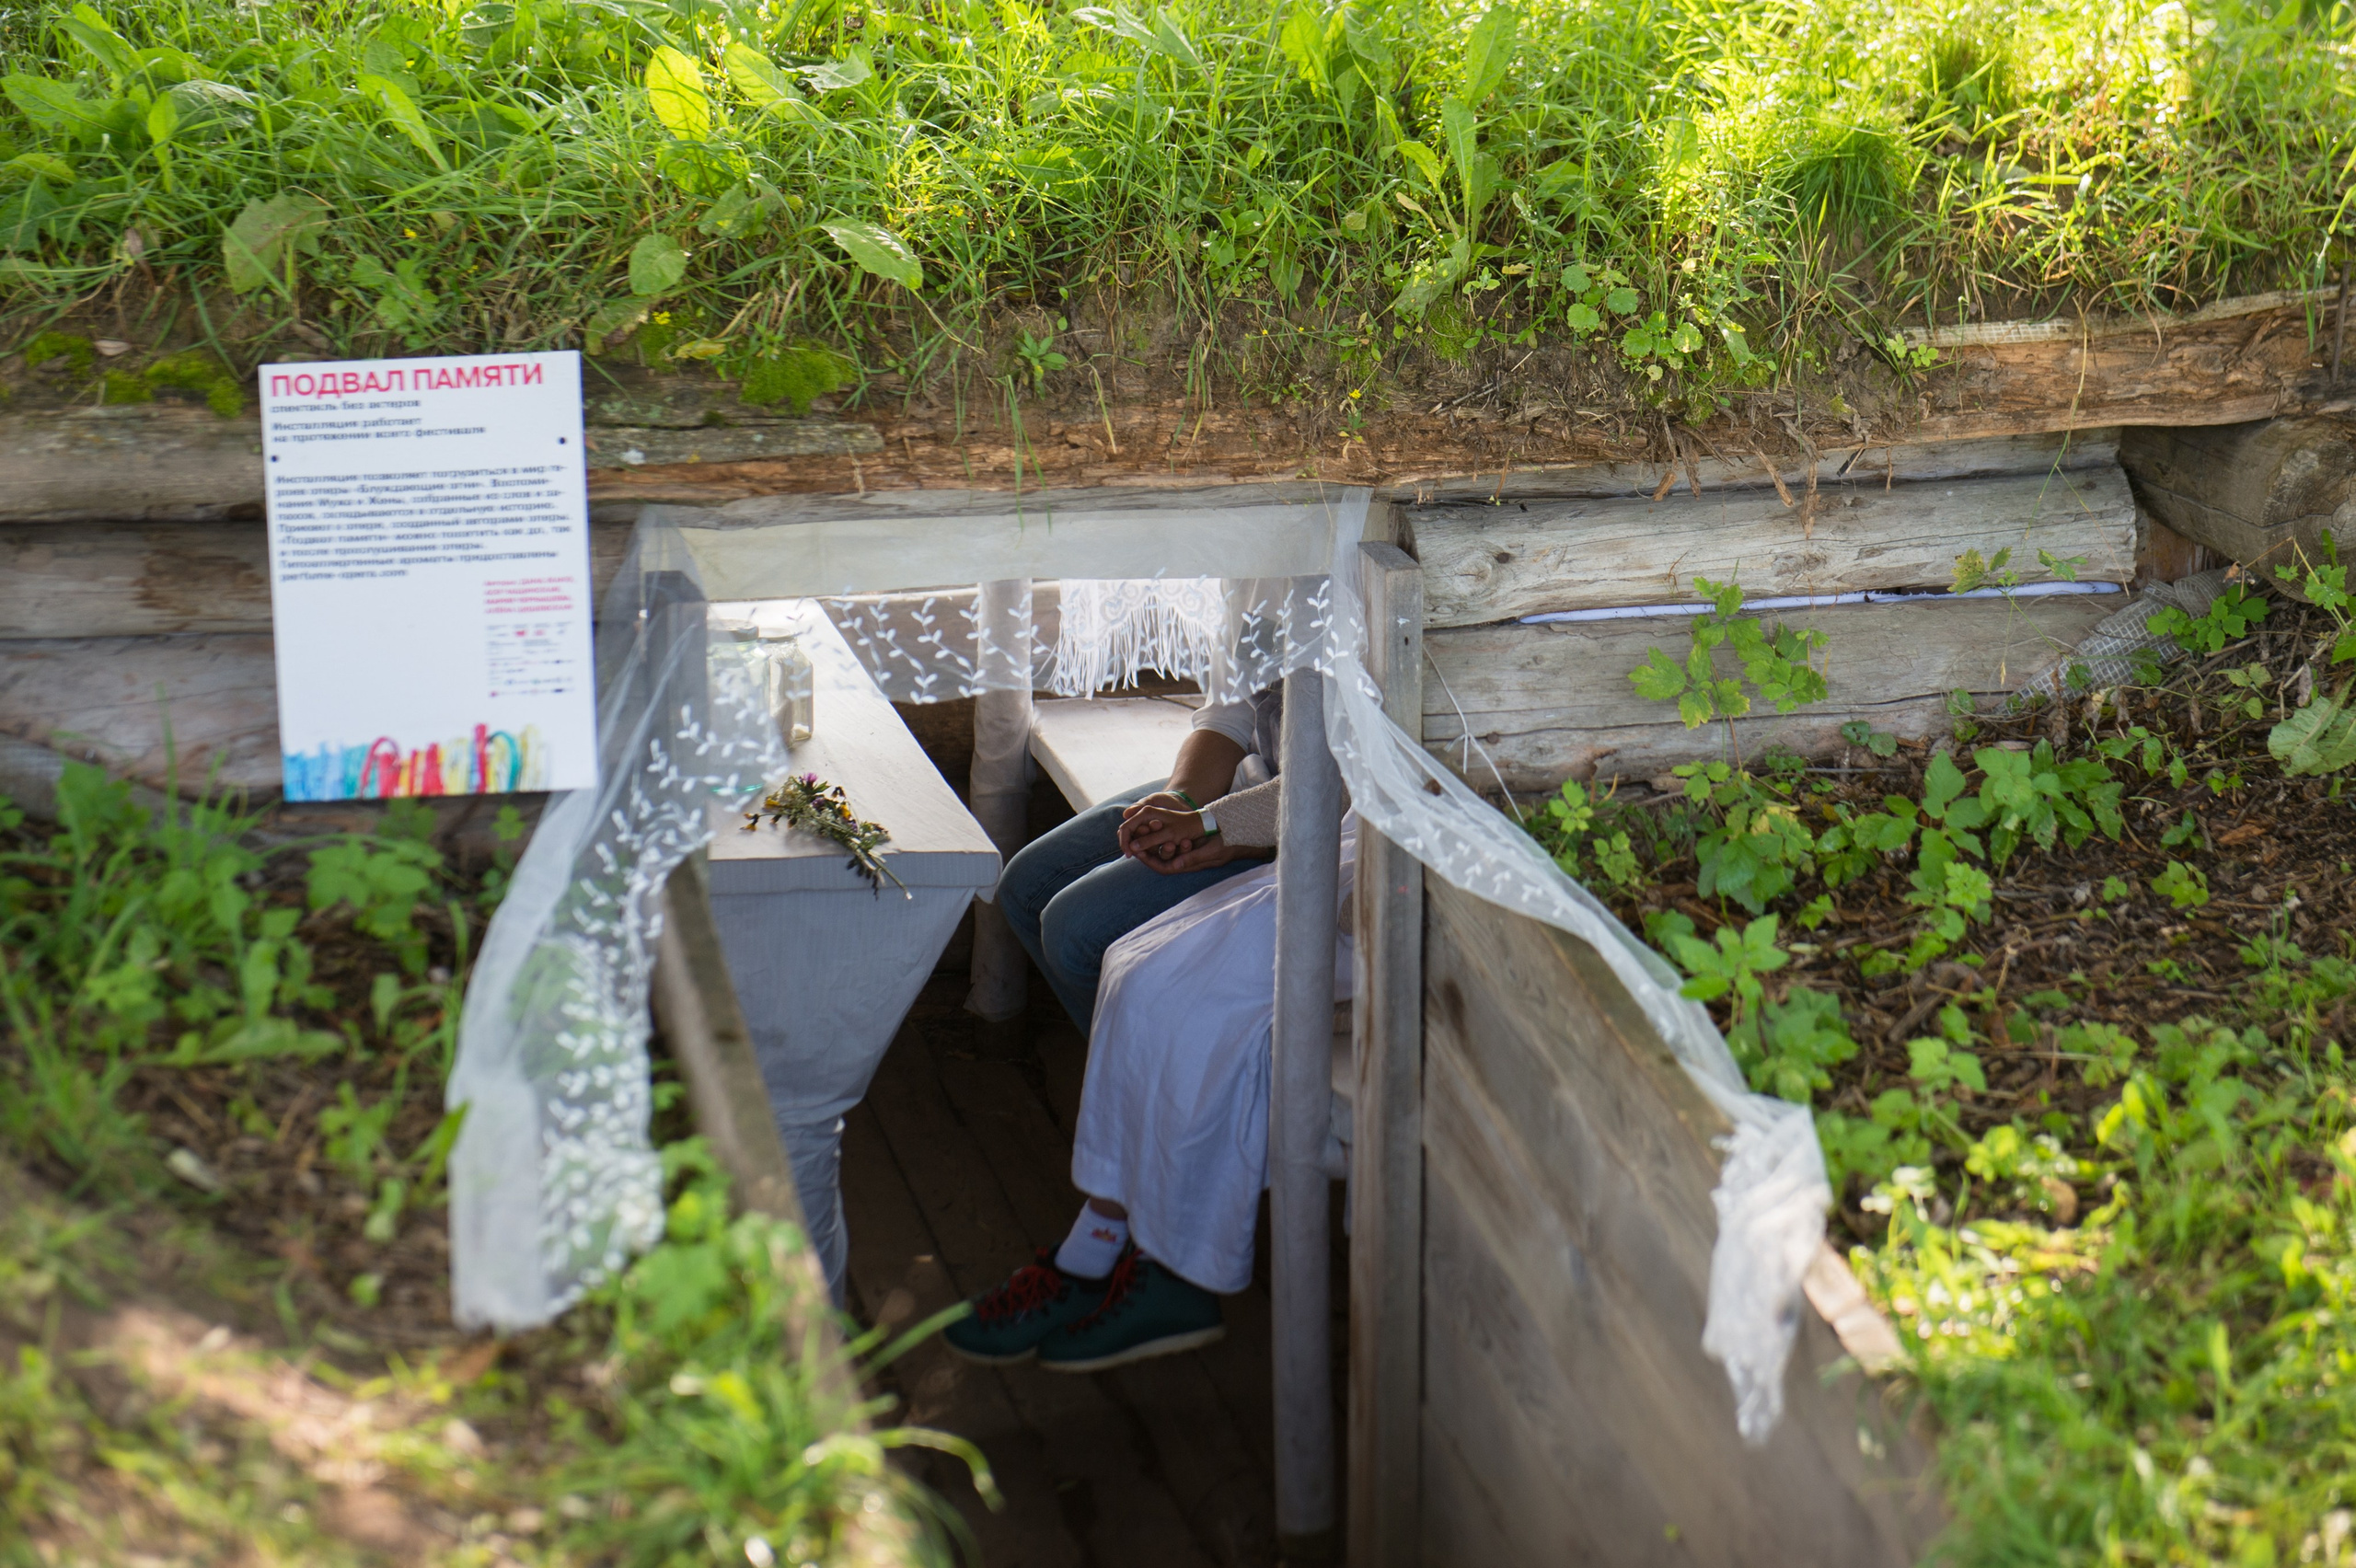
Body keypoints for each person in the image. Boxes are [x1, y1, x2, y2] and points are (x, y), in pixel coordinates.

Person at [947, 682, 1354, 1372]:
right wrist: (1186, 799)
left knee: (1088, 938)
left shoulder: (1369, 589)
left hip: (1327, 823)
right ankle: (1157, 1171)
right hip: (1263, 781)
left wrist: (1222, 829)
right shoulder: (1257, 576)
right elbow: (1231, 708)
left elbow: (1350, 785)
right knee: (1028, 886)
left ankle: (1131, 1232)